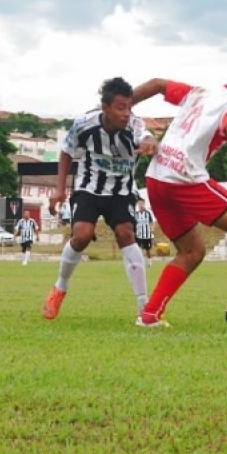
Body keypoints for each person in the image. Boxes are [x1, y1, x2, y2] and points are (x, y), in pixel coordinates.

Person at [132, 65, 227, 328]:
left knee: (191, 251)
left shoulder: (200, 92)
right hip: (183, 178)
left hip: (156, 177)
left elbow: (156, 83)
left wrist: (120, 109)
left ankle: (150, 315)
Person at [42, 77, 158, 321]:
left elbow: (146, 137)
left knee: (126, 233)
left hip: (122, 191)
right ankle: (60, 287)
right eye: (120, 108)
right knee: (82, 235)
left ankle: (144, 307)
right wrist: (59, 189)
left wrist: (150, 142)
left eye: (129, 107)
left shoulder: (134, 126)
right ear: (104, 108)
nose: (126, 113)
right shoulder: (84, 125)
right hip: (89, 188)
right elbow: (66, 151)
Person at [134, 198, 155, 267]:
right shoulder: (136, 214)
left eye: (142, 203)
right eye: (139, 203)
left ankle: (149, 262)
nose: (140, 205)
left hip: (147, 235)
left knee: (148, 250)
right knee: (138, 250)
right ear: (138, 204)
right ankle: (139, 263)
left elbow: (151, 222)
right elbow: (134, 224)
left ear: (144, 204)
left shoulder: (148, 213)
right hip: (138, 235)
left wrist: (152, 229)